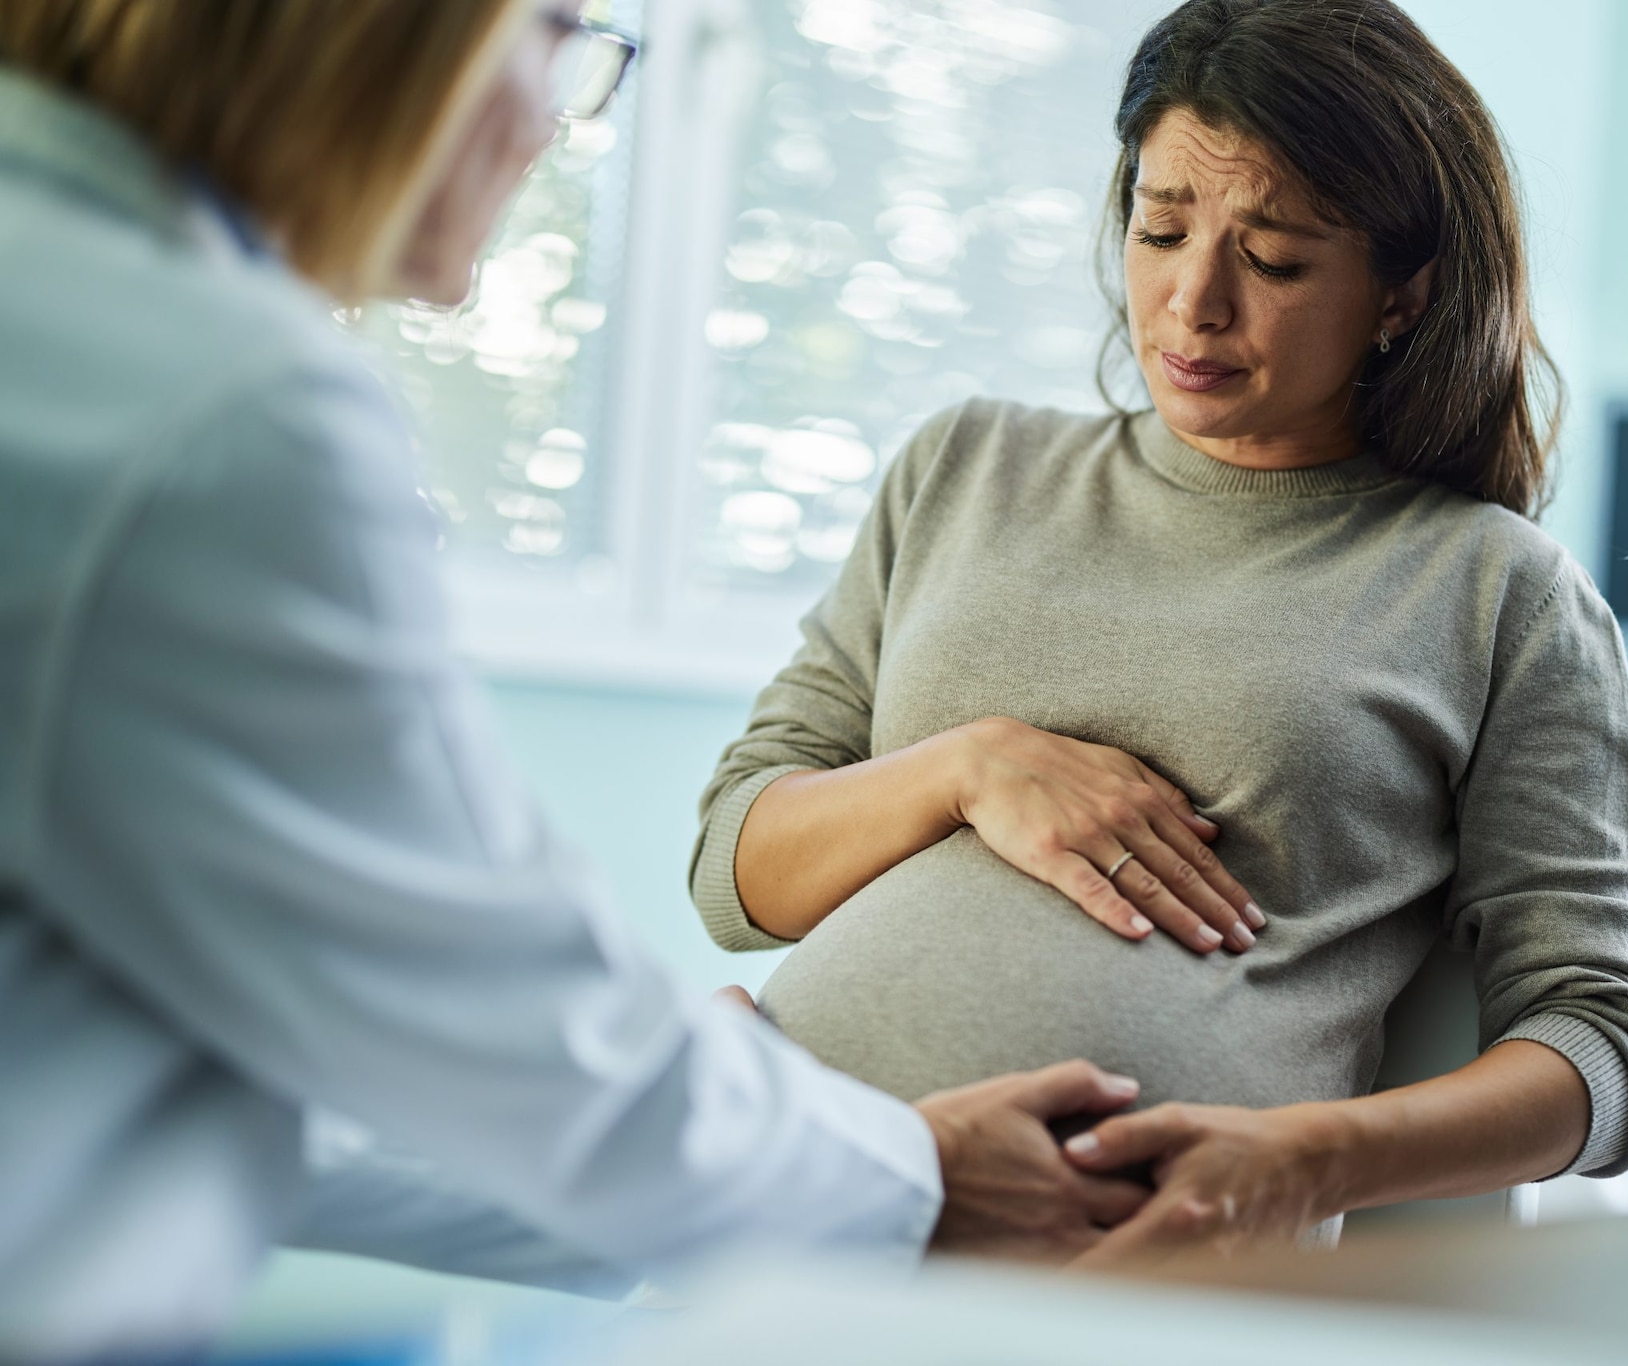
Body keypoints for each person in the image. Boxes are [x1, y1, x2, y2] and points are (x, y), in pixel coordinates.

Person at [0, 2, 1153, 1358]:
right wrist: (899, 1173)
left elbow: (256, 1073)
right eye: (552, 27)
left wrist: (803, 1142)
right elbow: (524, 1033)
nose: (560, 112)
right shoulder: (218, 410)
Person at [693, 0, 1628, 1257]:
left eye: (1272, 259)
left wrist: (1305, 1157)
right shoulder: (962, 467)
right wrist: (966, 767)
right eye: (1159, 229)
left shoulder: (1495, 593)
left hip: (1120, 1278)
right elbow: (735, 868)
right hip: (774, 1199)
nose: (1191, 302)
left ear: (1401, 293)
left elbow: (1609, 1039)